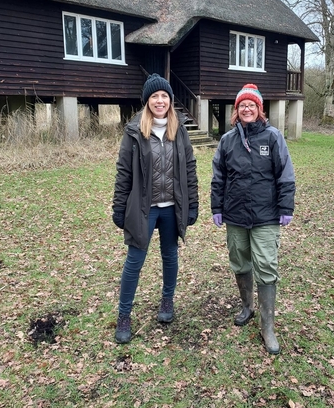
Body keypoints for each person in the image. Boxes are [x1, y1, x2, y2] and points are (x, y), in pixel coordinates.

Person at [112, 73, 199, 344]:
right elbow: (124, 172)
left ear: (170, 101)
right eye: (154, 96)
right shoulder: (134, 132)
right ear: (147, 101)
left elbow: (189, 169)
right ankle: (124, 315)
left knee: (170, 256)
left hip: (172, 208)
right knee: (134, 262)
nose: (160, 101)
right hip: (144, 208)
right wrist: (118, 207)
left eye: (164, 96)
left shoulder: (180, 129)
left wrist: (192, 204)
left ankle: (167, 302)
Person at [211, 84, 295, 355]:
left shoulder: (273, 137)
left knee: (266, 265)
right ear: (236, 111)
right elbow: (218, 177)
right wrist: (217, 208)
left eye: (252, 105)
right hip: (235, 214)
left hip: (266, 215)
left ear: (260, 110)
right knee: (239, 260)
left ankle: (267, 325)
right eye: (242, 106)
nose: (247, 109)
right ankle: (247, 306)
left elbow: (285, 174)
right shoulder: (227, 141)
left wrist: (286, 207)